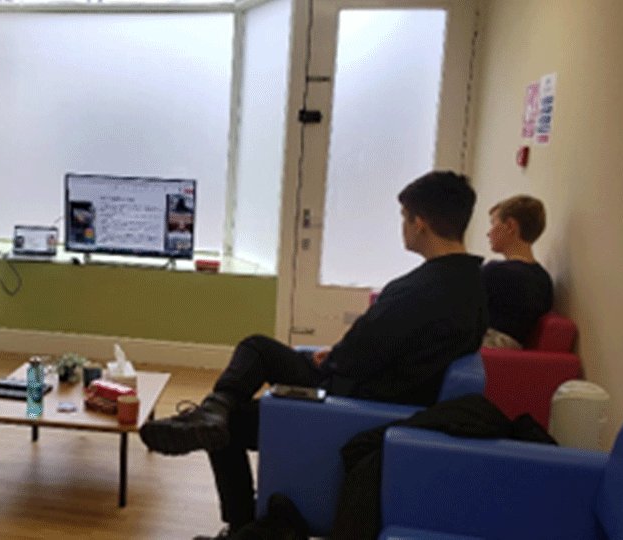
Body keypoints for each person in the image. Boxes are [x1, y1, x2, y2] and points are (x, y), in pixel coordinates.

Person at [139, 171, 488, 540]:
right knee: (257, 349)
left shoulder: (418, 290)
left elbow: (360, 355)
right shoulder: (473, 284)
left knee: (233, 421)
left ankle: (241, 519)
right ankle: (214, 408)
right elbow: (387, 346)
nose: (403, 227)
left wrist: (334, 359)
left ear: (420, 223)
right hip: (381, 393)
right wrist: (336, 354)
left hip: (349, 403)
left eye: (404, 218)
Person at [482, 195, 553, 348]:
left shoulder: (495, 272)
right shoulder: (543, 279)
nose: (488, 233)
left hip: (485, 349)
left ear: (510, 226)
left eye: (493, 223)